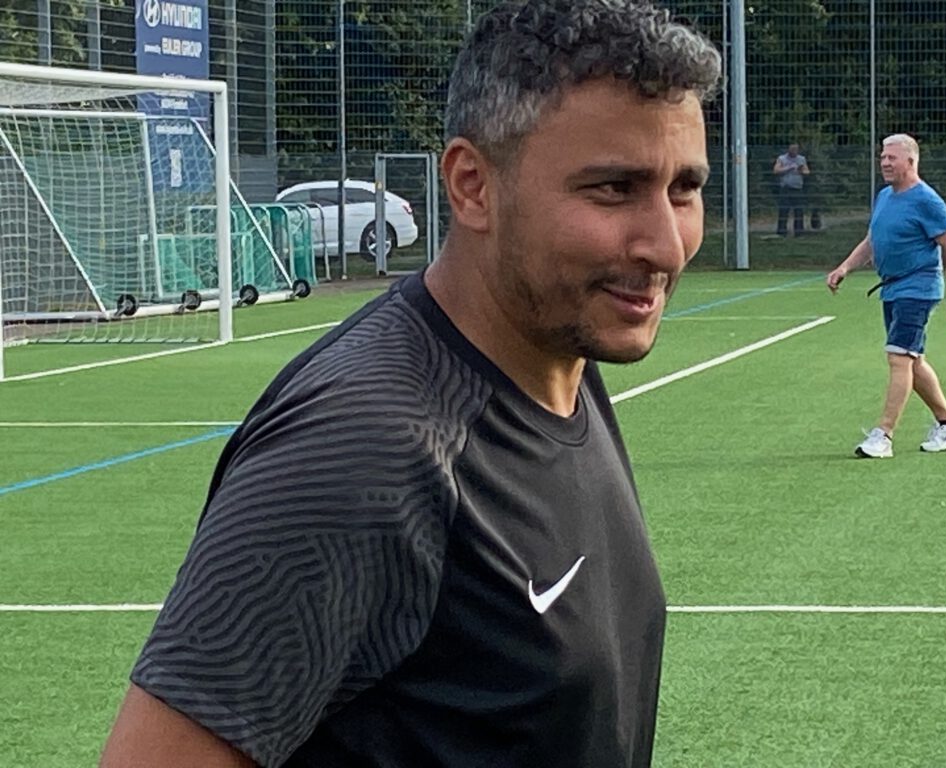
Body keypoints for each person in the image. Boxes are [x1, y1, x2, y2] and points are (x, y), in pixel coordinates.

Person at [99, 2, 722, 767]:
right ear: (473, 186)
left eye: (684, 189)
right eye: (614, 189)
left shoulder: (561, 358)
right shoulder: (362, 447)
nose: (665, 244)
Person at [826, 133, 946, 459]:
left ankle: (883, 435)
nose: (885, 163)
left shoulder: (927, 201)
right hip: (892, 288)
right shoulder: (885, 197)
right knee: (912, 360)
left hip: (917, 289)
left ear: (911, 161)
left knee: (899, 358)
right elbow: (873, 239)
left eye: (892, 157)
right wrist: (845, 267)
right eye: (882, 157)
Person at [774, 142, 810, 236]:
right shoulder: (782, 158)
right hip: (786, 188)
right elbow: (776, 170)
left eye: (796, 149)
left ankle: (799, 232)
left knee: (799, 211)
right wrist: (788, 168)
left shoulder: (801, 159)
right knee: (783, 210)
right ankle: (781, 232)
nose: (794, 151)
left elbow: (807, 171)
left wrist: (801, 170)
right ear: (788, 149)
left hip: (797, 188)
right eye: (792, 149)